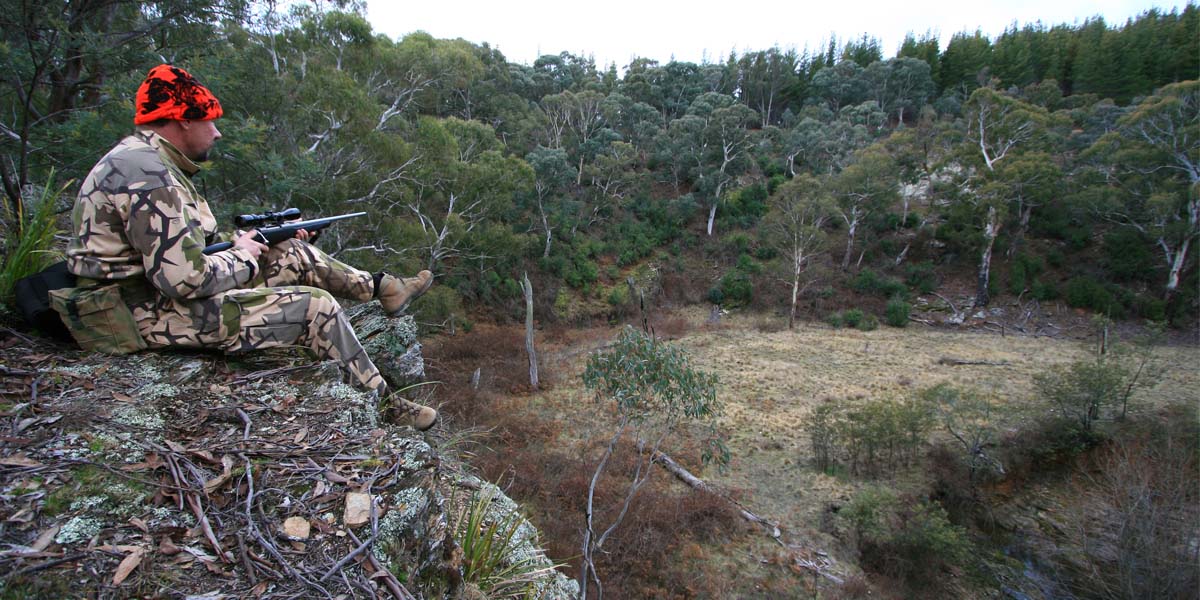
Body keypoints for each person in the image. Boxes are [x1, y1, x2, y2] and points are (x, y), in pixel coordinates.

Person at [61, 64, 439, 429]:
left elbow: (178, 252)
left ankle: (383, 288)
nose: (217, 132)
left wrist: (255, 245)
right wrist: (243, 254)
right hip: (132, 316)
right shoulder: (148, 175)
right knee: (315, 306)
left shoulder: (143, 160)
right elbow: (184, 280)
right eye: (210, 120)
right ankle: (387, 407)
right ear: (182, 120)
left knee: (290, 251)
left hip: (144, 297)